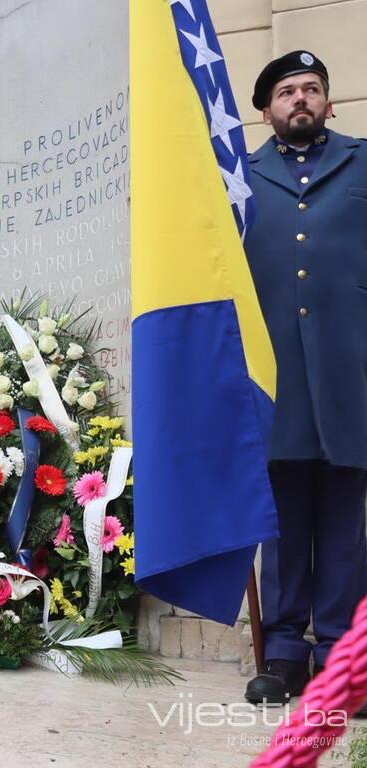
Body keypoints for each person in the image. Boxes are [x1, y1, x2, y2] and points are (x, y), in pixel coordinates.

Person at [243, 51, 367, 704]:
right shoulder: (239, 178)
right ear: (266, 110)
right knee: (284, 519)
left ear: (329, 103)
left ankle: (344, 660)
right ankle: (287, 652)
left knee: (346, 522)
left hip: (352, 372)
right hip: (276, 376)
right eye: (287, 91)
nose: (300, 98)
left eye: (312, 88)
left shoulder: (362, 161)